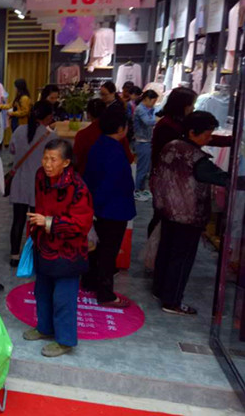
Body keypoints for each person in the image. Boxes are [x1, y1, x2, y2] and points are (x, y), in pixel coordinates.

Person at [152, 112, 233, 315]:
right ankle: (172, 301)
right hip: (187, 215)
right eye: (207, 134)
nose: (209, 138)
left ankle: (160, 289)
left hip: (167, 209)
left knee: (166, 251)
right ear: (192, 132)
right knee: (182, 258)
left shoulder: (171, 146)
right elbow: (222, 178)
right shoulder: (196, 158)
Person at [23, 139, 93, 358]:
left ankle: (65, 341)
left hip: (68, 252)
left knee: (64, 299)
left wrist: (49, 222)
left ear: (66, 162)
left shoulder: (78, 187)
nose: (47, 164)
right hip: (44, 245)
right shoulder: (40, 176)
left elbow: (82, 224)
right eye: (45, 158)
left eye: (53, 159)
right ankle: (44, 328)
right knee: (42, 291)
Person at [82, 109, 136, 308]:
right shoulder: (115, 150)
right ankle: (105, 294)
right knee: (108, 252)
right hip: (112, 209)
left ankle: (89, 281)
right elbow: (111, 183)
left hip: (100, 206)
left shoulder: (99, 145)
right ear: (121, 128)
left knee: (96, 249)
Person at [8, 101, 56, 267]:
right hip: (39, 185)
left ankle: (14, 255)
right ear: (48, 117)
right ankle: (36, 254)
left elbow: (12, 150)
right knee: (37, 222)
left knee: (18, 220)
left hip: (20, 182)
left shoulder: (19, 130)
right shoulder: (51, 137)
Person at [74, 98, 134, 176]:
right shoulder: (116, 133)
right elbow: (129, 159)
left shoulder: (82, 135)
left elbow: (76, 161)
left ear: (88, 114)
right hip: (113, 177)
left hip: (86, 177)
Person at [133, 89, 158, 201]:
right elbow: (148, 122)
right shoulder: (140, 109)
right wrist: (158, 119)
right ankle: (137, 190)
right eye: (153, 101)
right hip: (142, 142)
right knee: (142, 168)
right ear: (147, 99)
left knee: (145, 168)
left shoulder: (147, 109)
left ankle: (141, 189)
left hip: (146, 141)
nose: (154, 104)